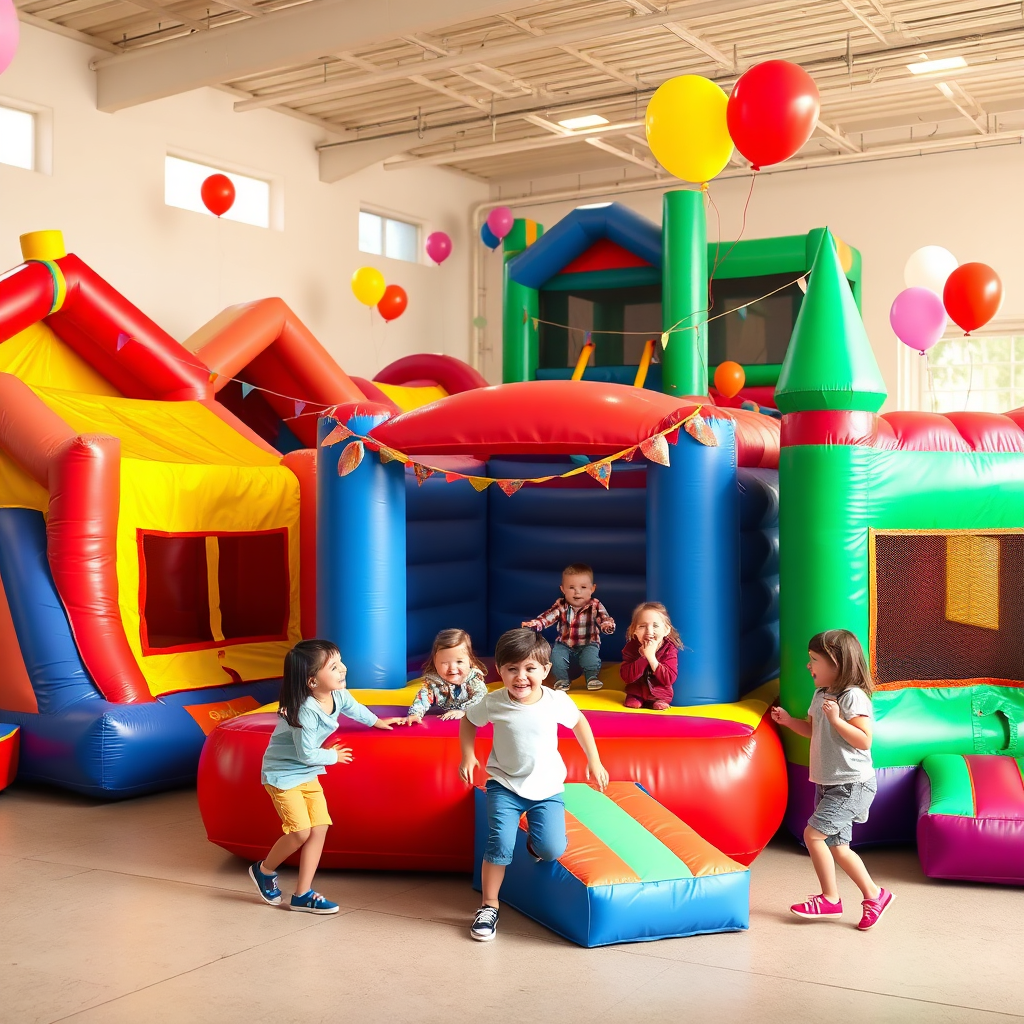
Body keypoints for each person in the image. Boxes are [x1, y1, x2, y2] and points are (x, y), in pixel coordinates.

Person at [459, 628, 609, 941]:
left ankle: (535, 842)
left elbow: (580, 722)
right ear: (500, 671)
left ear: (545, 669)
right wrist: (468, 756)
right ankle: (488, 906)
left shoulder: (556, 700)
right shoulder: (494, 701)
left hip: (548, 788)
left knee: (550, 849)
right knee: (500, 843)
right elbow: (468, 721)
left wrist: (594, 761)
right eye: (512, 669)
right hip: (504, 784)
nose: (520, 677)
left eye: (530, 669)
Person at [249, 639, 402, 914]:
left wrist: (378, 722)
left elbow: (355, 708)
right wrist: (334, 757)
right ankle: (264, 870)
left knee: (319, 828)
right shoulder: (305, 711)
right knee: (299, 832)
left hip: (307, 773)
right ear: (312, 682)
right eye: (333, 666)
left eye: (340, 661)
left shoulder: (338, 695)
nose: (343, 669)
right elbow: (307, 753)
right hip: (283, 774)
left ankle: (302, 893)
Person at [771, 629, 894, 931]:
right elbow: (813, 730)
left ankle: (830, 898)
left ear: (836, 662)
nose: (808, 666)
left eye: (814, 660)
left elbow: (864, 740)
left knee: (813, 835)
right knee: (839, 848)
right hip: (828, 783)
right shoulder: (820, 694)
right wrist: (789, 721)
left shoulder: (852, 696)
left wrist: (838, 720)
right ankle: (875, 896)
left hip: (852, 784)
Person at [521, 562, 615, 691]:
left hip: (588, 643)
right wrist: (535, 624)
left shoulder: (595, 605)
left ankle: (591, 677)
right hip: (564, 644)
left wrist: (607, 626)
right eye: (571, 587)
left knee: (590, 659)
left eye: (583, 587)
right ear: (563, 589)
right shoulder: (561, 605)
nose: (577, 592)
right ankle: (562, 680)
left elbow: (604, 618)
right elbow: (547, 617)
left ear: (592, 589)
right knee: (556, 658)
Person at [403, 628, 488, 724]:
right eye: (445, 663)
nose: (452, 668)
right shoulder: (434, 683)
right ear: (435, 663)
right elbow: (423, 698)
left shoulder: (474, 680)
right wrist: (415, 714)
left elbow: (481, 700)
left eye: (459, 661)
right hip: (442, 718)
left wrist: (465, 712)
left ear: (470, 661)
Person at [619, 602, 681, 710]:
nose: (649, 631)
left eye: (655, 626)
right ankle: (636, 697)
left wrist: (651, 658)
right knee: (633, 703)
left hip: (661, 695)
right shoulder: (631, 647)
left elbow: (669, 678)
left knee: (659, 705)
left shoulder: (669, 649)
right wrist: (643, 657)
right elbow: (626, 677)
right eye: (642, 626)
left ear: (666, 630)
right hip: (636, 692)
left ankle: (658, 700)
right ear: (634, 630)